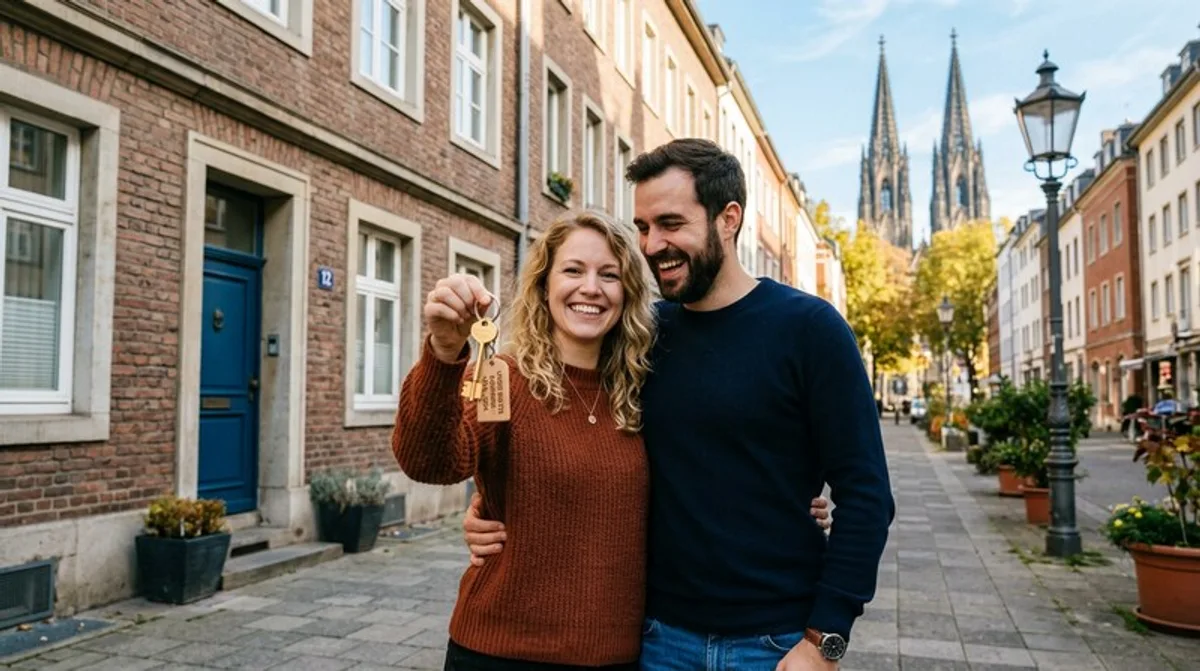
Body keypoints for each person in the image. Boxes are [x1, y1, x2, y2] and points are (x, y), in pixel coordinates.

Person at [464, 138, 895, 670]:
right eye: (643, 227)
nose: (652, 245)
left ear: (728, 219)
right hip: (656, 641)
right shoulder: (641, 336)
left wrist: (825, 638)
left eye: (671, 224)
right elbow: (570, 425)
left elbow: (866, 494)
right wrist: (493, 504)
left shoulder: (810, 330)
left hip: (775, 644)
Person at [393, 210, 832, 670]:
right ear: (544, 285)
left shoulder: (645, 388)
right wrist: (444, 353)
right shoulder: (504, 378)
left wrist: (788, 503)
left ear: (627, 293)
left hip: (617, 656)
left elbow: (708, 460)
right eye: (572, 270)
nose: (591, 288)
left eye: (609, 275)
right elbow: (430, 463)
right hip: (500, 652)